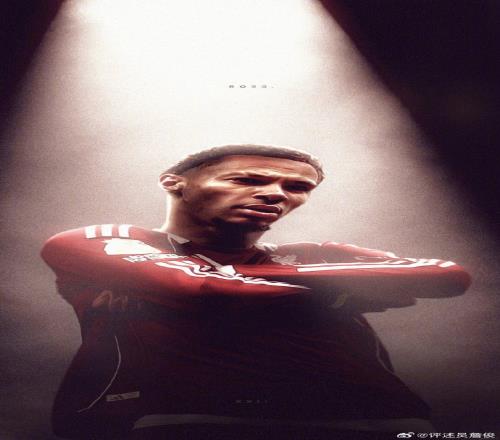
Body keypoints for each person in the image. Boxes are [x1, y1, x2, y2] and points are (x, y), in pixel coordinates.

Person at [41, 144, 471, 440]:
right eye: (246, 179)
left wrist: (241, 279)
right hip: (194, 420)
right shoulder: (109, 239)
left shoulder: (316, 253)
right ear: (174, 183)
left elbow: (445, 275)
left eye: (297, 187)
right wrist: (337, 293)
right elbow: (201, 290)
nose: (274, 194)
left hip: (381, 420)